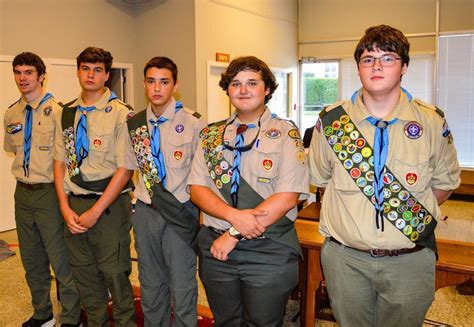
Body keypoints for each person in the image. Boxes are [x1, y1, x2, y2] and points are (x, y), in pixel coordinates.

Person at [309, 25, 461, 327]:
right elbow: (321, 178)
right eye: (367, 59)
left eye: (388, 58)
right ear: (358, 67)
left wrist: (404, 215)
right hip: (346, 258)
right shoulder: (332, 122)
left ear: (404, 66)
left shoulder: (430, 121)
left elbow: (443, 185)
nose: (376, 66)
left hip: (410, 259)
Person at [188, 56, 309, 326]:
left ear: (267, 89)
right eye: (235, 83)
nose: (243, 90)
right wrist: (233, 217)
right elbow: (197, 189)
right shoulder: (211, 136)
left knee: (263, 323)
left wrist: (234, 233)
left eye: (252, 83)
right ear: (228, 89)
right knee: (226, 321)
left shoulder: (286, 133)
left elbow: (288, 196)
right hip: (217, 250)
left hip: (268, 249)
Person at [53, 47, 136, 326]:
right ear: (78, 71)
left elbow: (125, 169)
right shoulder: (66, 114)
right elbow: (60, 163)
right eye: (86, 68)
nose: (91, 74)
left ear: (106, 75)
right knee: (85, 275)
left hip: (109, 208)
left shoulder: (121, 114)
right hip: (74, 206)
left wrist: (96, 211)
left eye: (97, 69)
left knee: (115, 274)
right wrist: (65, 208)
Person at [125, 57, 205, 326]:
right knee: (150, 282)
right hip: (146, 213)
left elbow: (203, 179)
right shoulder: (134, 124)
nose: (157, 88)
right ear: (144, 84)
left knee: (182, 285)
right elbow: (127, 168)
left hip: (180, 214)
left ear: (175, 85)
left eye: (164, 81)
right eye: (151, 81)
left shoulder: (194, 123)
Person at [3, 52, 81, 327]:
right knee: (31, 257)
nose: (22, 78)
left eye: (28, 72)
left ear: (41, 76)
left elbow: (68, 160)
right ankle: (43, 313)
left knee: (59, 258)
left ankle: (71, 317)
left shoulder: (59, 113)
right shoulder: (11, 112)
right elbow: (12, 148)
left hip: (50, 192)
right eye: (18, 72)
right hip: (22, 193)